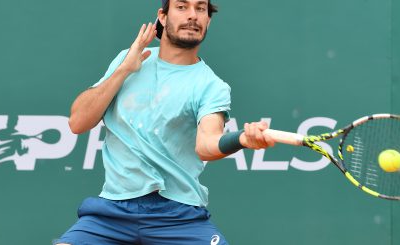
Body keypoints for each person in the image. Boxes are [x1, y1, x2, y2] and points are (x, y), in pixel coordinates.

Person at [55, 0, 274, 244]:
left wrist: (242, 138)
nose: (193, 16)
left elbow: (207, 145)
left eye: (200, 9)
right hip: (111, 213)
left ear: (208, 20)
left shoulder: (212, 86)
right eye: (182, 7)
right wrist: (124, 69)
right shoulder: (126, 61)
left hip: (178, 216)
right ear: (162, 16)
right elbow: (77, 122)